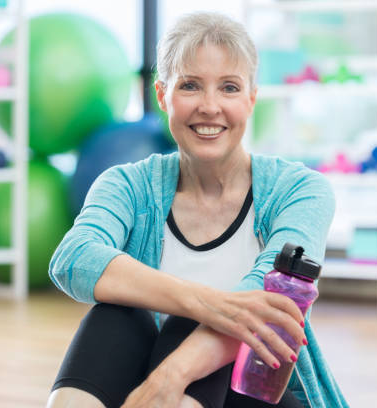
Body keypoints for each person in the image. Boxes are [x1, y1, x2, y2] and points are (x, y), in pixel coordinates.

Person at [46, 11, 348, 408]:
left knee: (189, 327)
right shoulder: (128, 185)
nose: (210, 106)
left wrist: (172, 375)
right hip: (147, 386)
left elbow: (271, 300)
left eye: (228, 88)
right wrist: (211, 303)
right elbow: (73, 260)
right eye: (190, 86)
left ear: (251, 99)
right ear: (161, 96)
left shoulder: (300, 190)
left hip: (257, 396)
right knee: (117, 319)